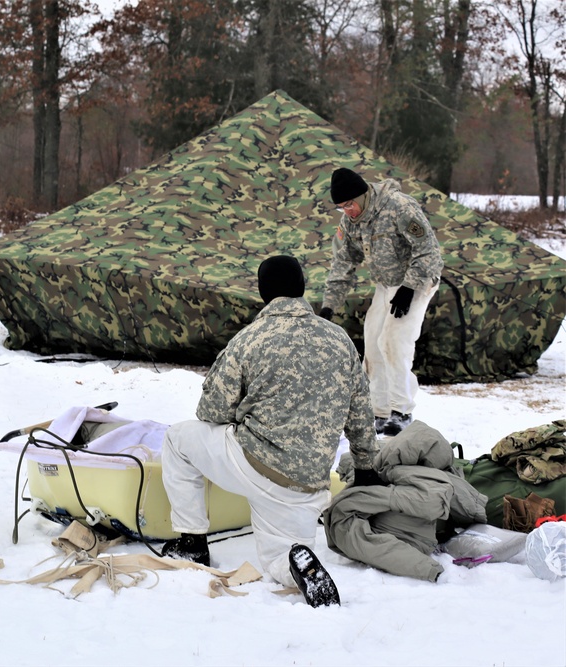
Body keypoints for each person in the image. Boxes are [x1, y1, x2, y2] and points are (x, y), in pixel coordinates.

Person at [160, 255, 380, 608]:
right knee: (281, 555)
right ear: (302, 289)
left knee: (177, 439)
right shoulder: (340, 340)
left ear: (264, 293)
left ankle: (192, 544)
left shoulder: (251, 338)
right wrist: (367, 465)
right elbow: (361, 413)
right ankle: (297, 564)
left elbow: (210, 411)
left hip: (253, 464)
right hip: (308, 483)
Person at [319, 167, 443, 437]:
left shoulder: (399, 206)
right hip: (386, 283)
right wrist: (329, 305)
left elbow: (428, 251)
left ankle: (402, 412)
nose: (347, 211)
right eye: (341, 207)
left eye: (349, 204)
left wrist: (409, 287)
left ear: (362, 196)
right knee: (374, 343)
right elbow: (343, 262)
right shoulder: (350, 222)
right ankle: (380, 411)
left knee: (393, 340)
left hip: (417, 281)